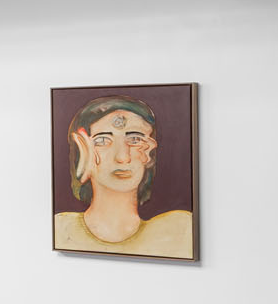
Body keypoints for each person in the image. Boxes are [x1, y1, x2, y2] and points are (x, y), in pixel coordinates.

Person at [52, 95, 192, 257]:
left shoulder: (179, 231)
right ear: (82, 149)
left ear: (149, 152)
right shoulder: (61, 229)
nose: (123, 157)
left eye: (135, 139)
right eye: (103, 140)